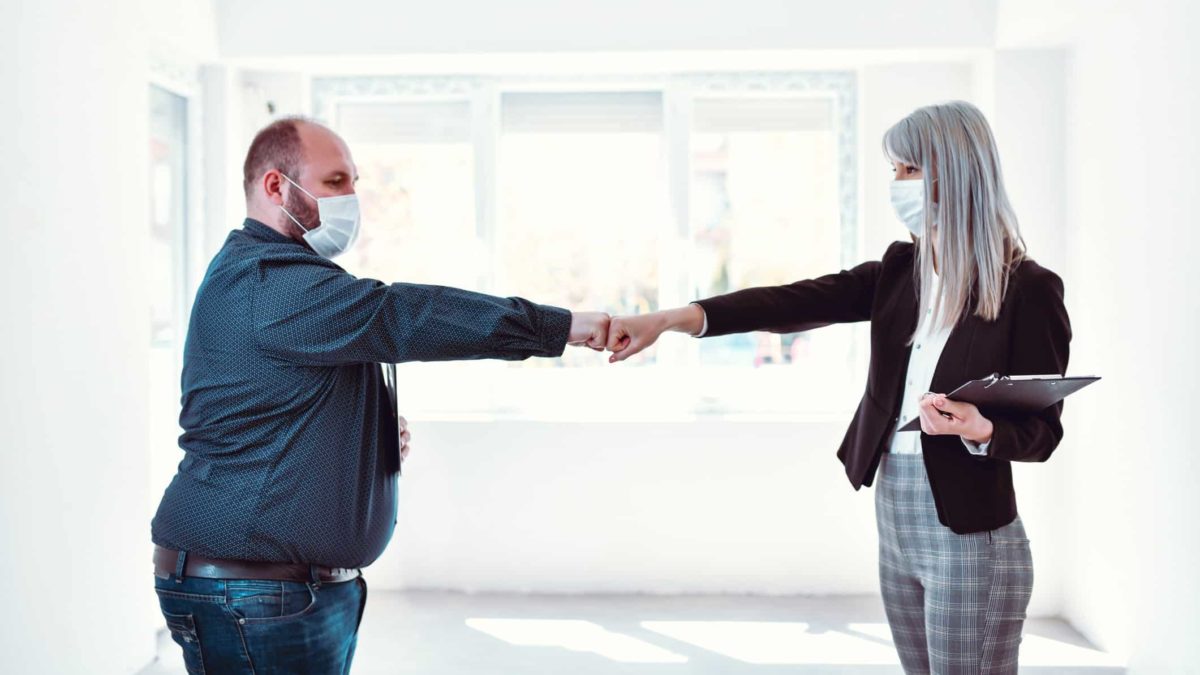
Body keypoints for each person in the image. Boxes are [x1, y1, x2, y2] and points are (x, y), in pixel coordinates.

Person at [606, 100, 1070, 674]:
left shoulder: (1029, 289)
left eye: (907, 170)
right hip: (895, 514)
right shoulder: (901, 269)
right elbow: (792, 300)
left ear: (953, 173)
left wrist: (980, 428)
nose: (895, 184)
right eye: (893, 170)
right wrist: (671, 319)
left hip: (973, 535)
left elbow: (1043, 433)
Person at [150, 116, 611, 674]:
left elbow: (274, 412)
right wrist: (564, 327)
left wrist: (358, 438)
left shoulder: (283, 280)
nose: (352, 199)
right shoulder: (270, 281)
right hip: (254, 589)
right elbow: (404, 316)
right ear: (276, 187)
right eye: (336, 181)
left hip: (277, 588)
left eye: (354, 183)